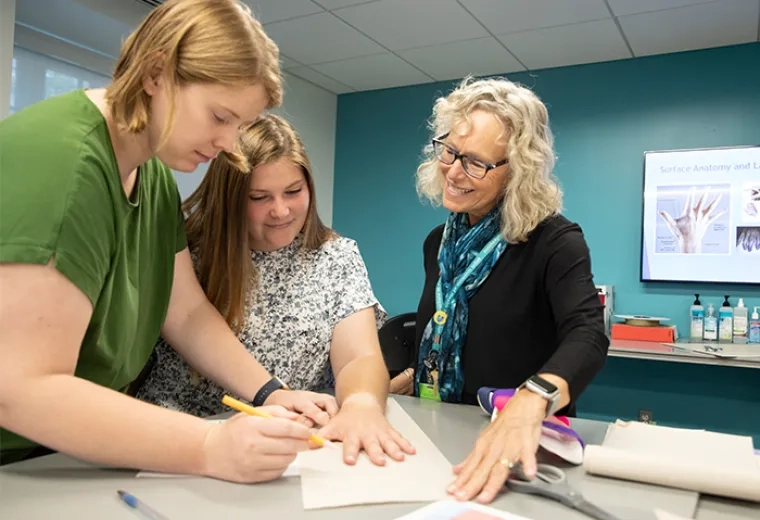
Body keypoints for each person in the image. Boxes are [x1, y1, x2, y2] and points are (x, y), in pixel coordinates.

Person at [0, 0, 335, 482]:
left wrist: (269, 393)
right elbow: (22, 390)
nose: (229, 144)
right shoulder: (66, 164)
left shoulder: (151, 174)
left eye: (239, 125)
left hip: (57, 452)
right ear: (156, 73)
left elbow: (186, 312)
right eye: (220, 116)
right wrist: (210, 446)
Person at [137, 114, 416, 466]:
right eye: (259, 197)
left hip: (284, 448)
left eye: (293, 192)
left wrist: (361, 404)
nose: (281, 210)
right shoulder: (188, 252)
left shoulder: (336, 256)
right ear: (230, 198)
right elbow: (185, 317)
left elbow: (359, 356)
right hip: (181, 438)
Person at [389, 76, 609, 503]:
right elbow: (462, 337)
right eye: (449, 152)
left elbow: (588, 334)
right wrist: (413, 377)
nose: (453, 172)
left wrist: (534, 397)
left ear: (518, 169)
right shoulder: (440, 242)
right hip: (439, 431)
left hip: (520, 445)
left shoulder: (555, 242)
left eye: (475, 162)